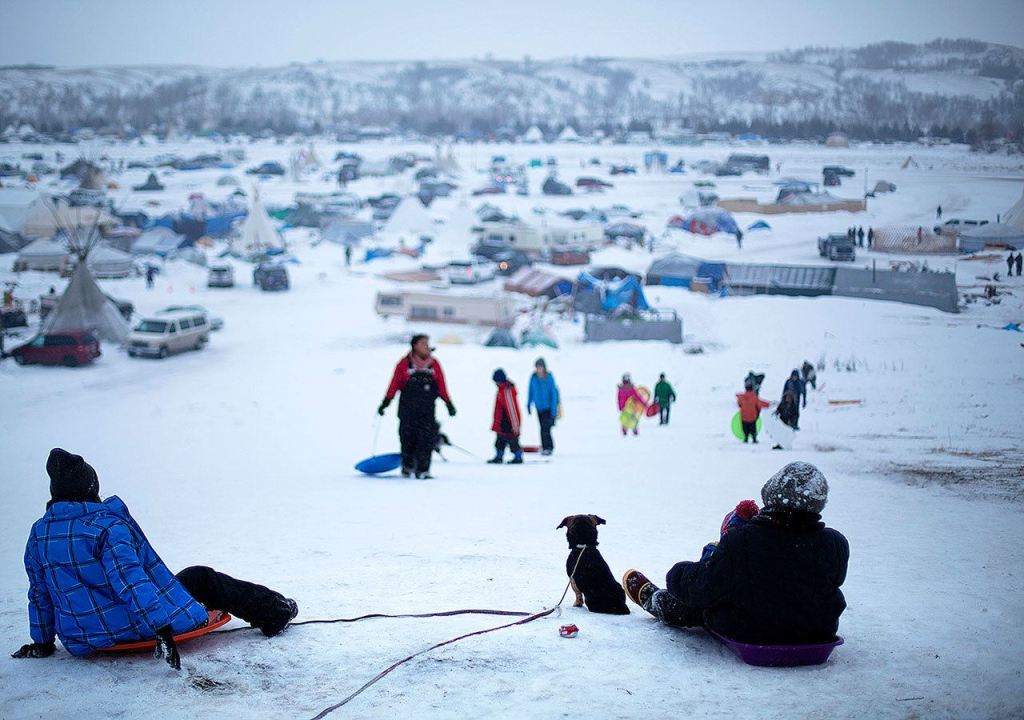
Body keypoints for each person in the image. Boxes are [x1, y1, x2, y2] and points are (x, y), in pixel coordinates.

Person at [11, 449, 297, 668]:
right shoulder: (106, 527)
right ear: (90, 489)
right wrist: (161, 628)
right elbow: (130, 581)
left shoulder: (40, 533)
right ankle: (276, 612)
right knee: (200, 578)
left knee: (176, 582)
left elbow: (40, 593)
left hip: (85, 636)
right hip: (134, 626)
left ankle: (271, 610)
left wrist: (43, 641)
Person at [622, 462, 848, 645]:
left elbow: (701, 588)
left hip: (753, 631)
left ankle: (659, 601)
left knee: (708, 602)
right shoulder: (836, 543)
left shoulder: (744, 541)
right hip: (817, 631)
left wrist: (678, 574)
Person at [378, 334, 456, 479]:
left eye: (427, 343)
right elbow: (394, 385)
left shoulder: (434, 365)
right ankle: (407, 468)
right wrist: (385, 403)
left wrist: (449, 404)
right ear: (415, 346)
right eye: (423, 343)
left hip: (427, 411)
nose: (427, 345)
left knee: (426, 441)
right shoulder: (404, 364)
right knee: (407, 439)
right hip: (407, 410)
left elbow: (442, 386)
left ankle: (423, 470)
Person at [488, 368, 523, 464]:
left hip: (509, 422)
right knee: (500, 441)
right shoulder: (501, 390)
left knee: (513, 441)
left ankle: (518, 456)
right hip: (502, 422)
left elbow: (512, 410)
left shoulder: (507, 391)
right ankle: (499, 456)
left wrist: (515, 426)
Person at [527, 357, 560, 456]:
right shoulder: (533, 378)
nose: (538, 369)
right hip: (539, 407)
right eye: (537, 367)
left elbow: (553, 394)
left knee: (546, 428)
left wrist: (554, 411)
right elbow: (530, 392)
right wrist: (528, 404)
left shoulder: (549, 378)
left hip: (548, 407)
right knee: (542, 428)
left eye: (540, 367)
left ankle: (548, 447)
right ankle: (545, 446)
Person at [736, 379, 769, 443]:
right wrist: (758, 413)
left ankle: (746, 437)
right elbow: (759, 405)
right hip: (752, 416)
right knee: (753, 428)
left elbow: (739, 404)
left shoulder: (742, 397)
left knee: (745, 428)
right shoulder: (754, 396)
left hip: (744, 416)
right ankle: (754, 438)